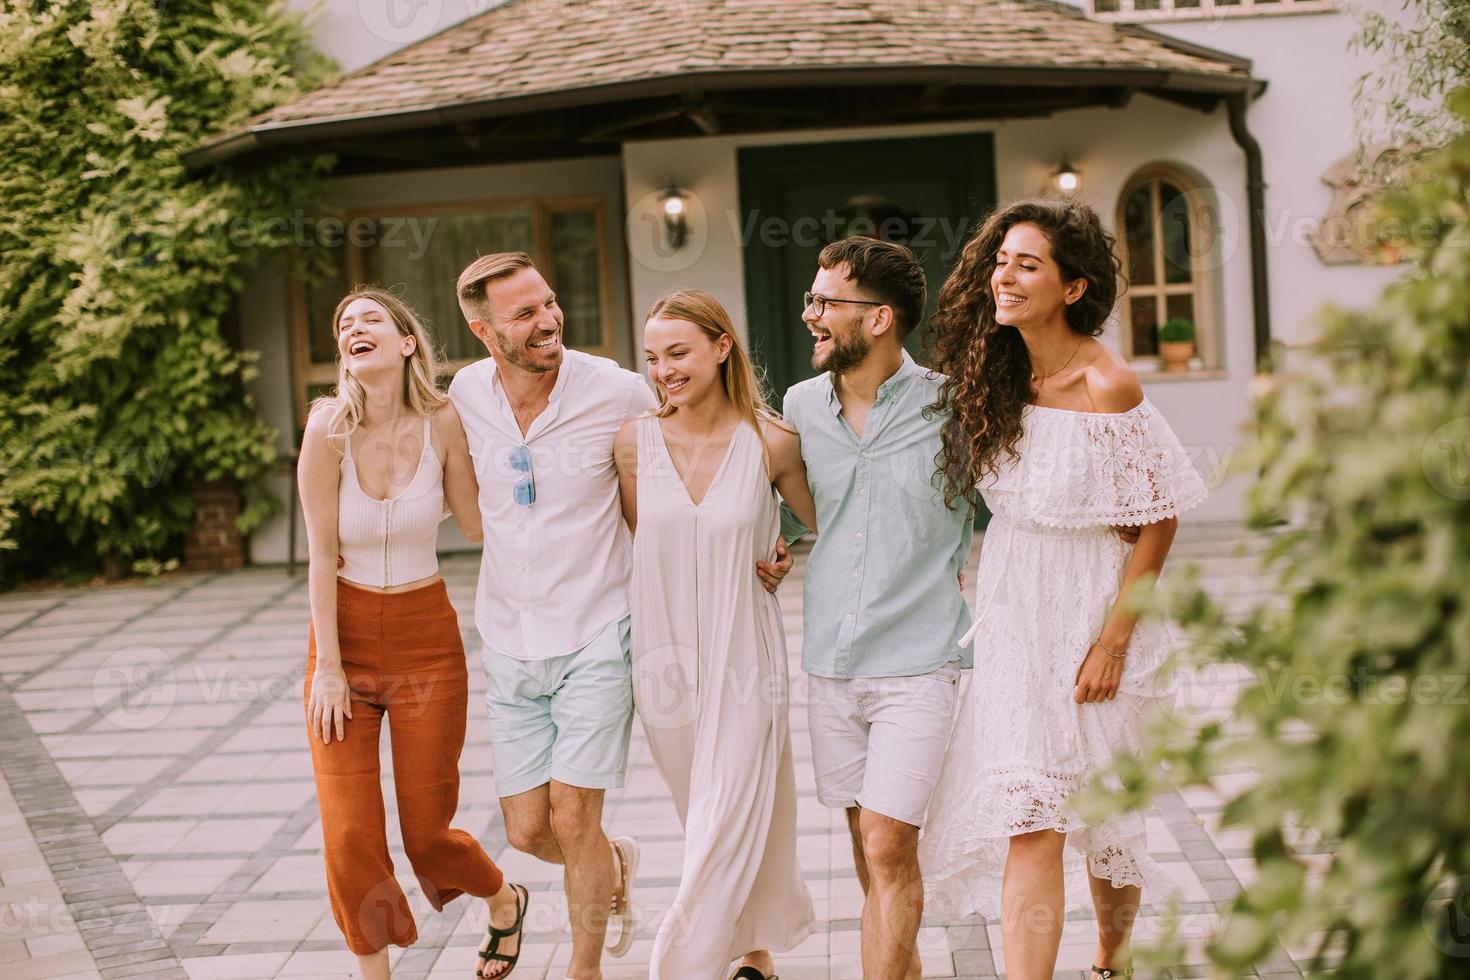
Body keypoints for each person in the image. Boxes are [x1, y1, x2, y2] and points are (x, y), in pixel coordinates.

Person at [447, 255, 795, 980]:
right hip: (508, 636)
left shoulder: (616, 390)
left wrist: (765, 543)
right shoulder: (468, 392)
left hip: (602, 628)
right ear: (482, 331)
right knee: (529, 830)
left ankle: (586, 969)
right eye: (523, 314)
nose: (547, 320)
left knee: (574, 817)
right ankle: (611, 864)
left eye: (548, 301)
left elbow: (681, 481)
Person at [918, 199, 1207, 980]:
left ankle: (1112, 959)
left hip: (1093, 610)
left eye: (1027, 264)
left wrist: (1111, 643)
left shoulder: (1108, 385)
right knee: (1029, 810)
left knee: (1107, 811)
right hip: (1015, 610)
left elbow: (1158, 519)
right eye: (1001, 261)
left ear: (1072, 288)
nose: (1004, 277)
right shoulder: (997, 372)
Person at [298, 287, 528, 980]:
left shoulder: (443, 421)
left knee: (428, 832)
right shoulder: (326, 428)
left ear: (406, 344)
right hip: (342, 643)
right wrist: (330, 669)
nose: (353, 328)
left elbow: (482, 524)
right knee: (348, 834)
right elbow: (318, 556)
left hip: (427, 639)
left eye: (371, 319)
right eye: (344, 323)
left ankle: (502, 898)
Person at [781, 237, 974, 980]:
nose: (811, 316)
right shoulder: (799, 407)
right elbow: (793, 513)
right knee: (871, 847)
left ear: (881, 317)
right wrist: (772, 545)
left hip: (921, 660)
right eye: (810, 299)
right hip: (831, 661)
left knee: (891, 844)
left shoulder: (952, 403)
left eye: (826, 302)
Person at [612, 289, 818, 980]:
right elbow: (652, 542)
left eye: (679, 353)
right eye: (653, 358)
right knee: (704, 814)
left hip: (745, 655)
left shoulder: (773, 441)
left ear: (721, 346)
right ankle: (752, 956)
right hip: (663, 662)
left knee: (729, 805)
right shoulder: (633, 444)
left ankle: (680, 962)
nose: (664, 369)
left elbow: (827, 526)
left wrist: (782, 547)